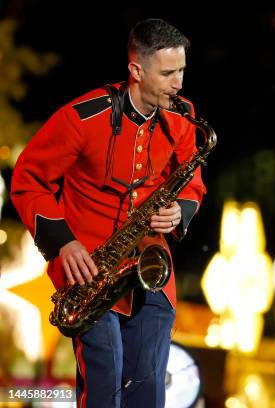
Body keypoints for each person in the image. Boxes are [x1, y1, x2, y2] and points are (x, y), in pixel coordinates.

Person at [10, 19, 206, 407]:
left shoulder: (183, 117)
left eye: (181, 70)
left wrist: (179, 211)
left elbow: (193, 181)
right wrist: (63, 244)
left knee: (149, 385)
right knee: (105, 382)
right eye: (168, 73)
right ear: (136, 70)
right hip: (90, 273)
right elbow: (28, 180)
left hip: (149, 267)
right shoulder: (82, 118)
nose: (178, 83)